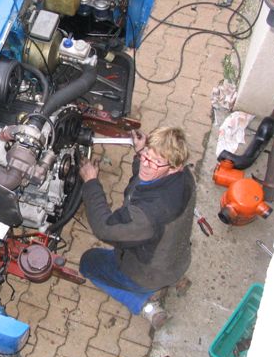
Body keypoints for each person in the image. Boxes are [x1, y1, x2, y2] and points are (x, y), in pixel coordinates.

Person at [78, 126, 195, 329]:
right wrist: (141, 151)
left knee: (88, 262)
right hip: (177, 257)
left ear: (175, 167)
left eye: (155, 162)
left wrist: (91, 182)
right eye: (146, 155)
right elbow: (142, 182)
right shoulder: (185, 178)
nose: (145, 164)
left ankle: (144, 303)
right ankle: (175, 279)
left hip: (147, 274)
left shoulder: (147, 215)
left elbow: (104, 228)